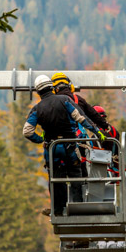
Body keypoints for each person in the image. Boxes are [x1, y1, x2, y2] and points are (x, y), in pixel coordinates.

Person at [23, 75, 105, 216]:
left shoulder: (37, 109)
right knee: (75, 176)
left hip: (53, 148)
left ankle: (58, 211)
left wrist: (40, 138)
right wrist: (97, 131)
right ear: (52, 88)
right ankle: (77, 208)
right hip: (70, 146)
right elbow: (82, 118)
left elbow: (27, 131)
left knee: (56, 179)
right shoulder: (64, 100)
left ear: (38, 92)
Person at [92, 104, 120, 174]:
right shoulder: (114, 130)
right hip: (114, 168)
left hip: (104, 171)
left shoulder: (98, 135)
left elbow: (94, 156)